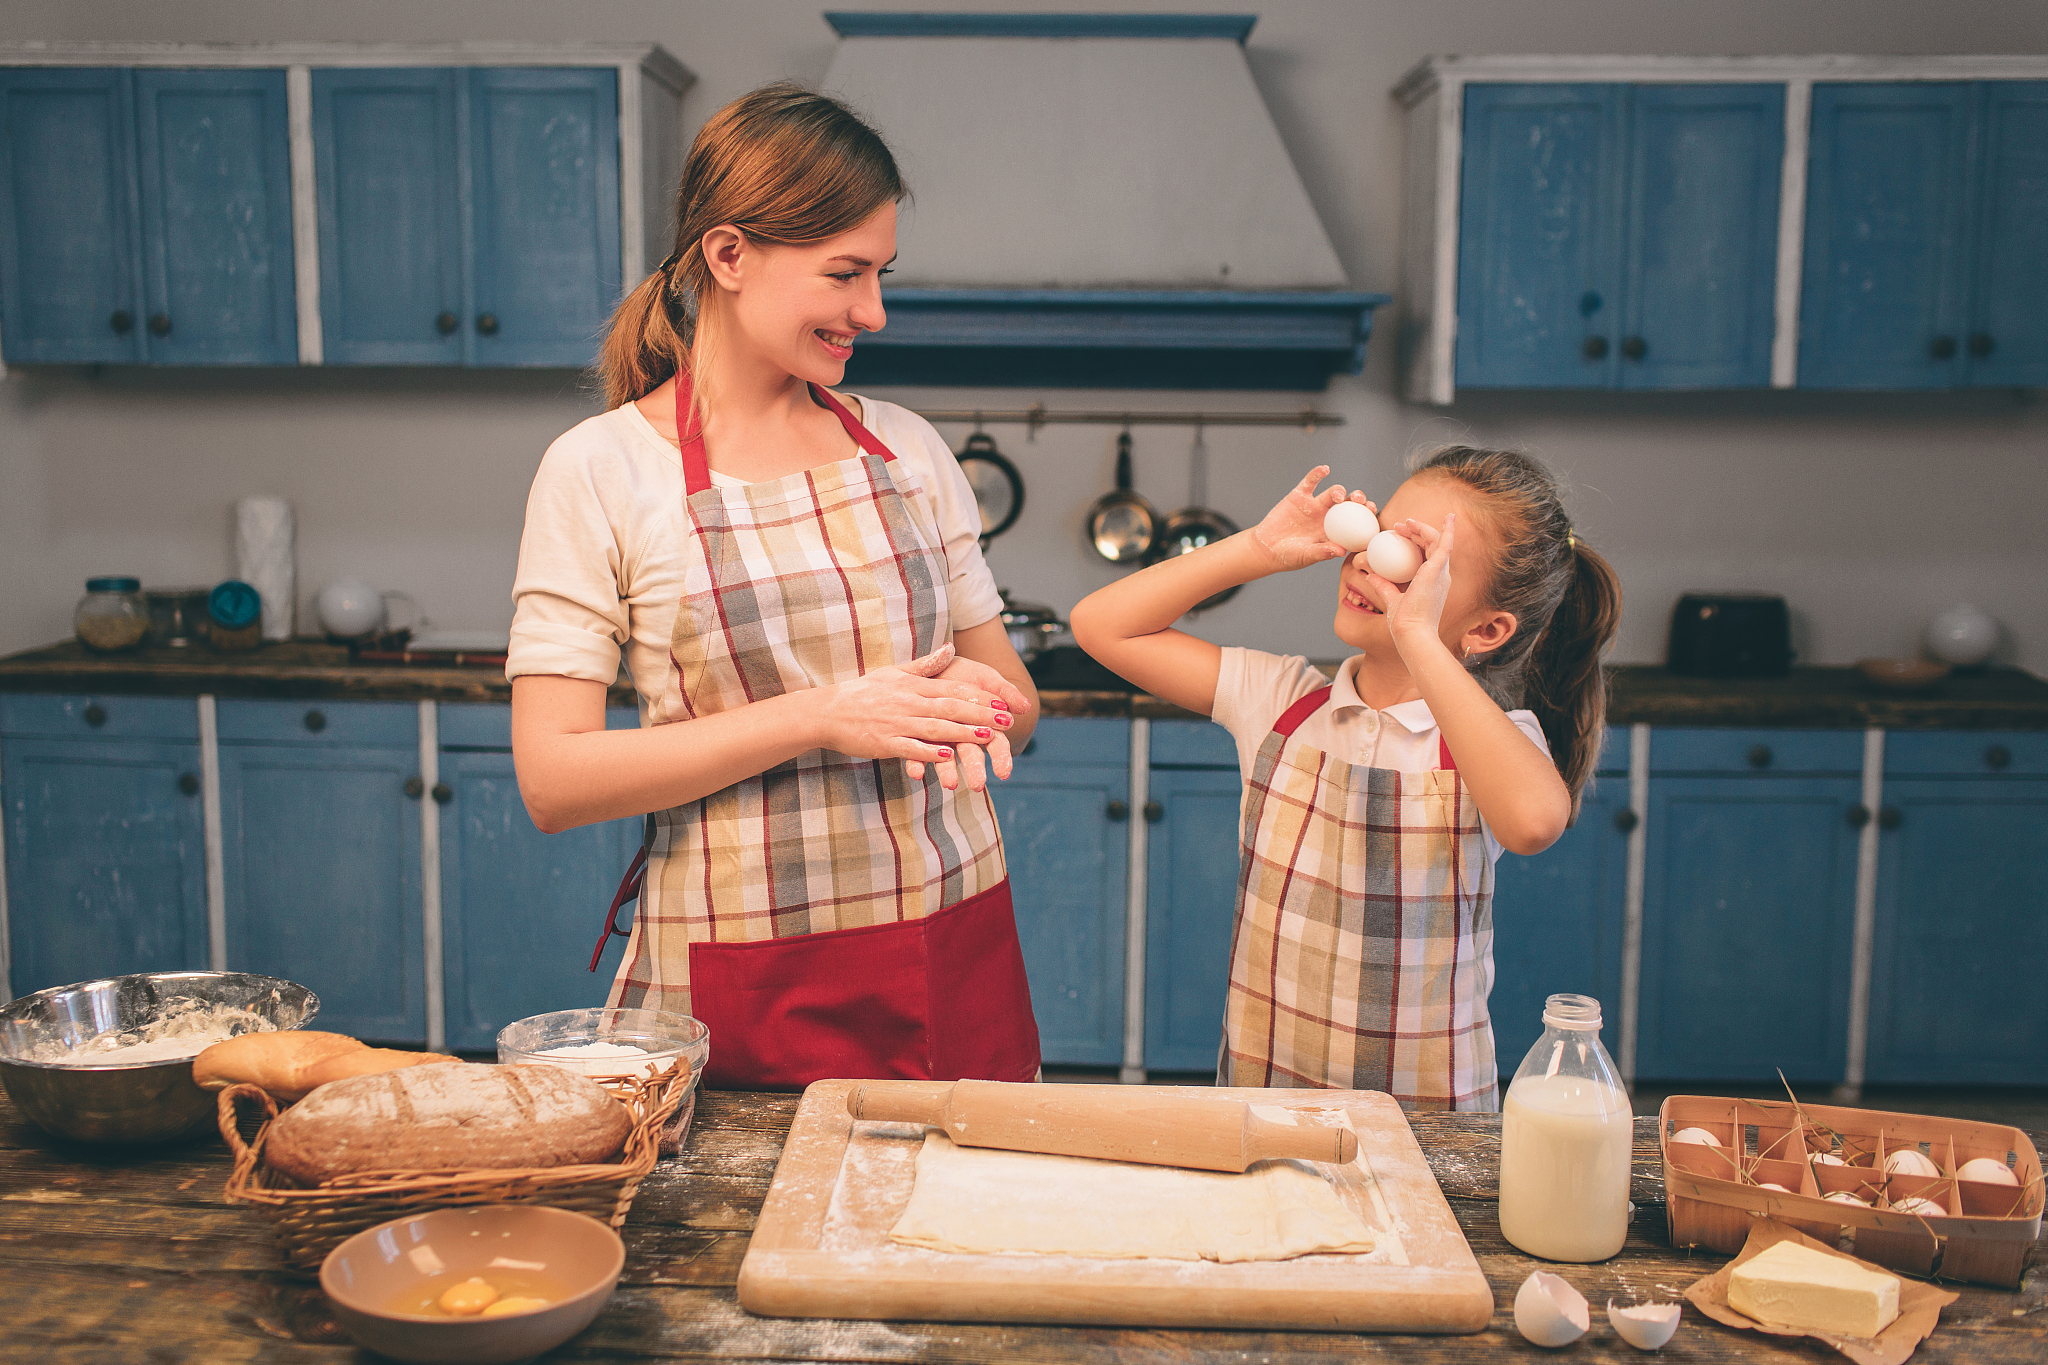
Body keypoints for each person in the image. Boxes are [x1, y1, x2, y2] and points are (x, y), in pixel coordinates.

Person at [507, 83, 1042, 1091]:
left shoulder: (908, 451)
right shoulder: (601, 472)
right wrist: (825, 716)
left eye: (880, 275)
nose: (871, 312)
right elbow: (553, 780)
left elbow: (1017, 706)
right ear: (727, 255)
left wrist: (980, 712)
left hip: (950, 937)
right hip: (739, 973)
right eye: (844, 274)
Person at [1070, 448, 1621, 1110]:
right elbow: (1100, 626)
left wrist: (1416, 633)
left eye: (1413, 559)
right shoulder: (1280, 700)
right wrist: (1259, 548)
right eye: (1379, 528)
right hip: (1265, 1102)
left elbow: (1533, 820)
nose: (1368, 558)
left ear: (1487, 629)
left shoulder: (1486, 742)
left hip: (1429, 1126)